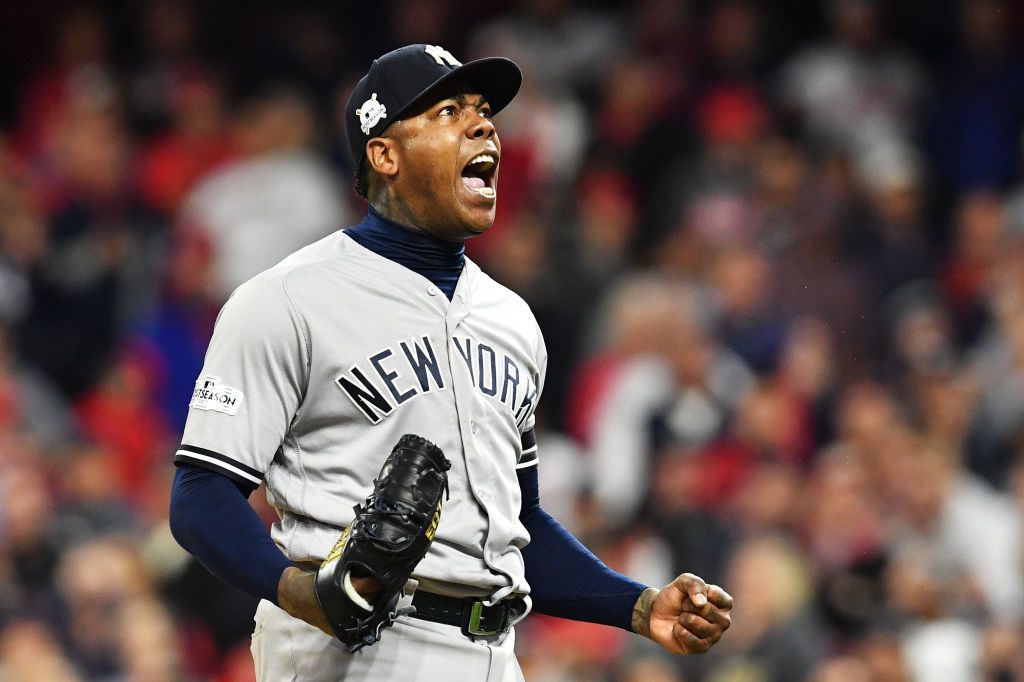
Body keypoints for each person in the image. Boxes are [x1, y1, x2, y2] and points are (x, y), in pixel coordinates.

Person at [168, 44, 733, 681]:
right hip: (354, 652)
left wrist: (639, 605)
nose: (483, 124)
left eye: (484, 111)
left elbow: (518, 527)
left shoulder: (511, 321)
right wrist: (302, 593)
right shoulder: (286, 300)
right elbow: (201, 496)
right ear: (384, 155)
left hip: (493, 652)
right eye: (447, 110)